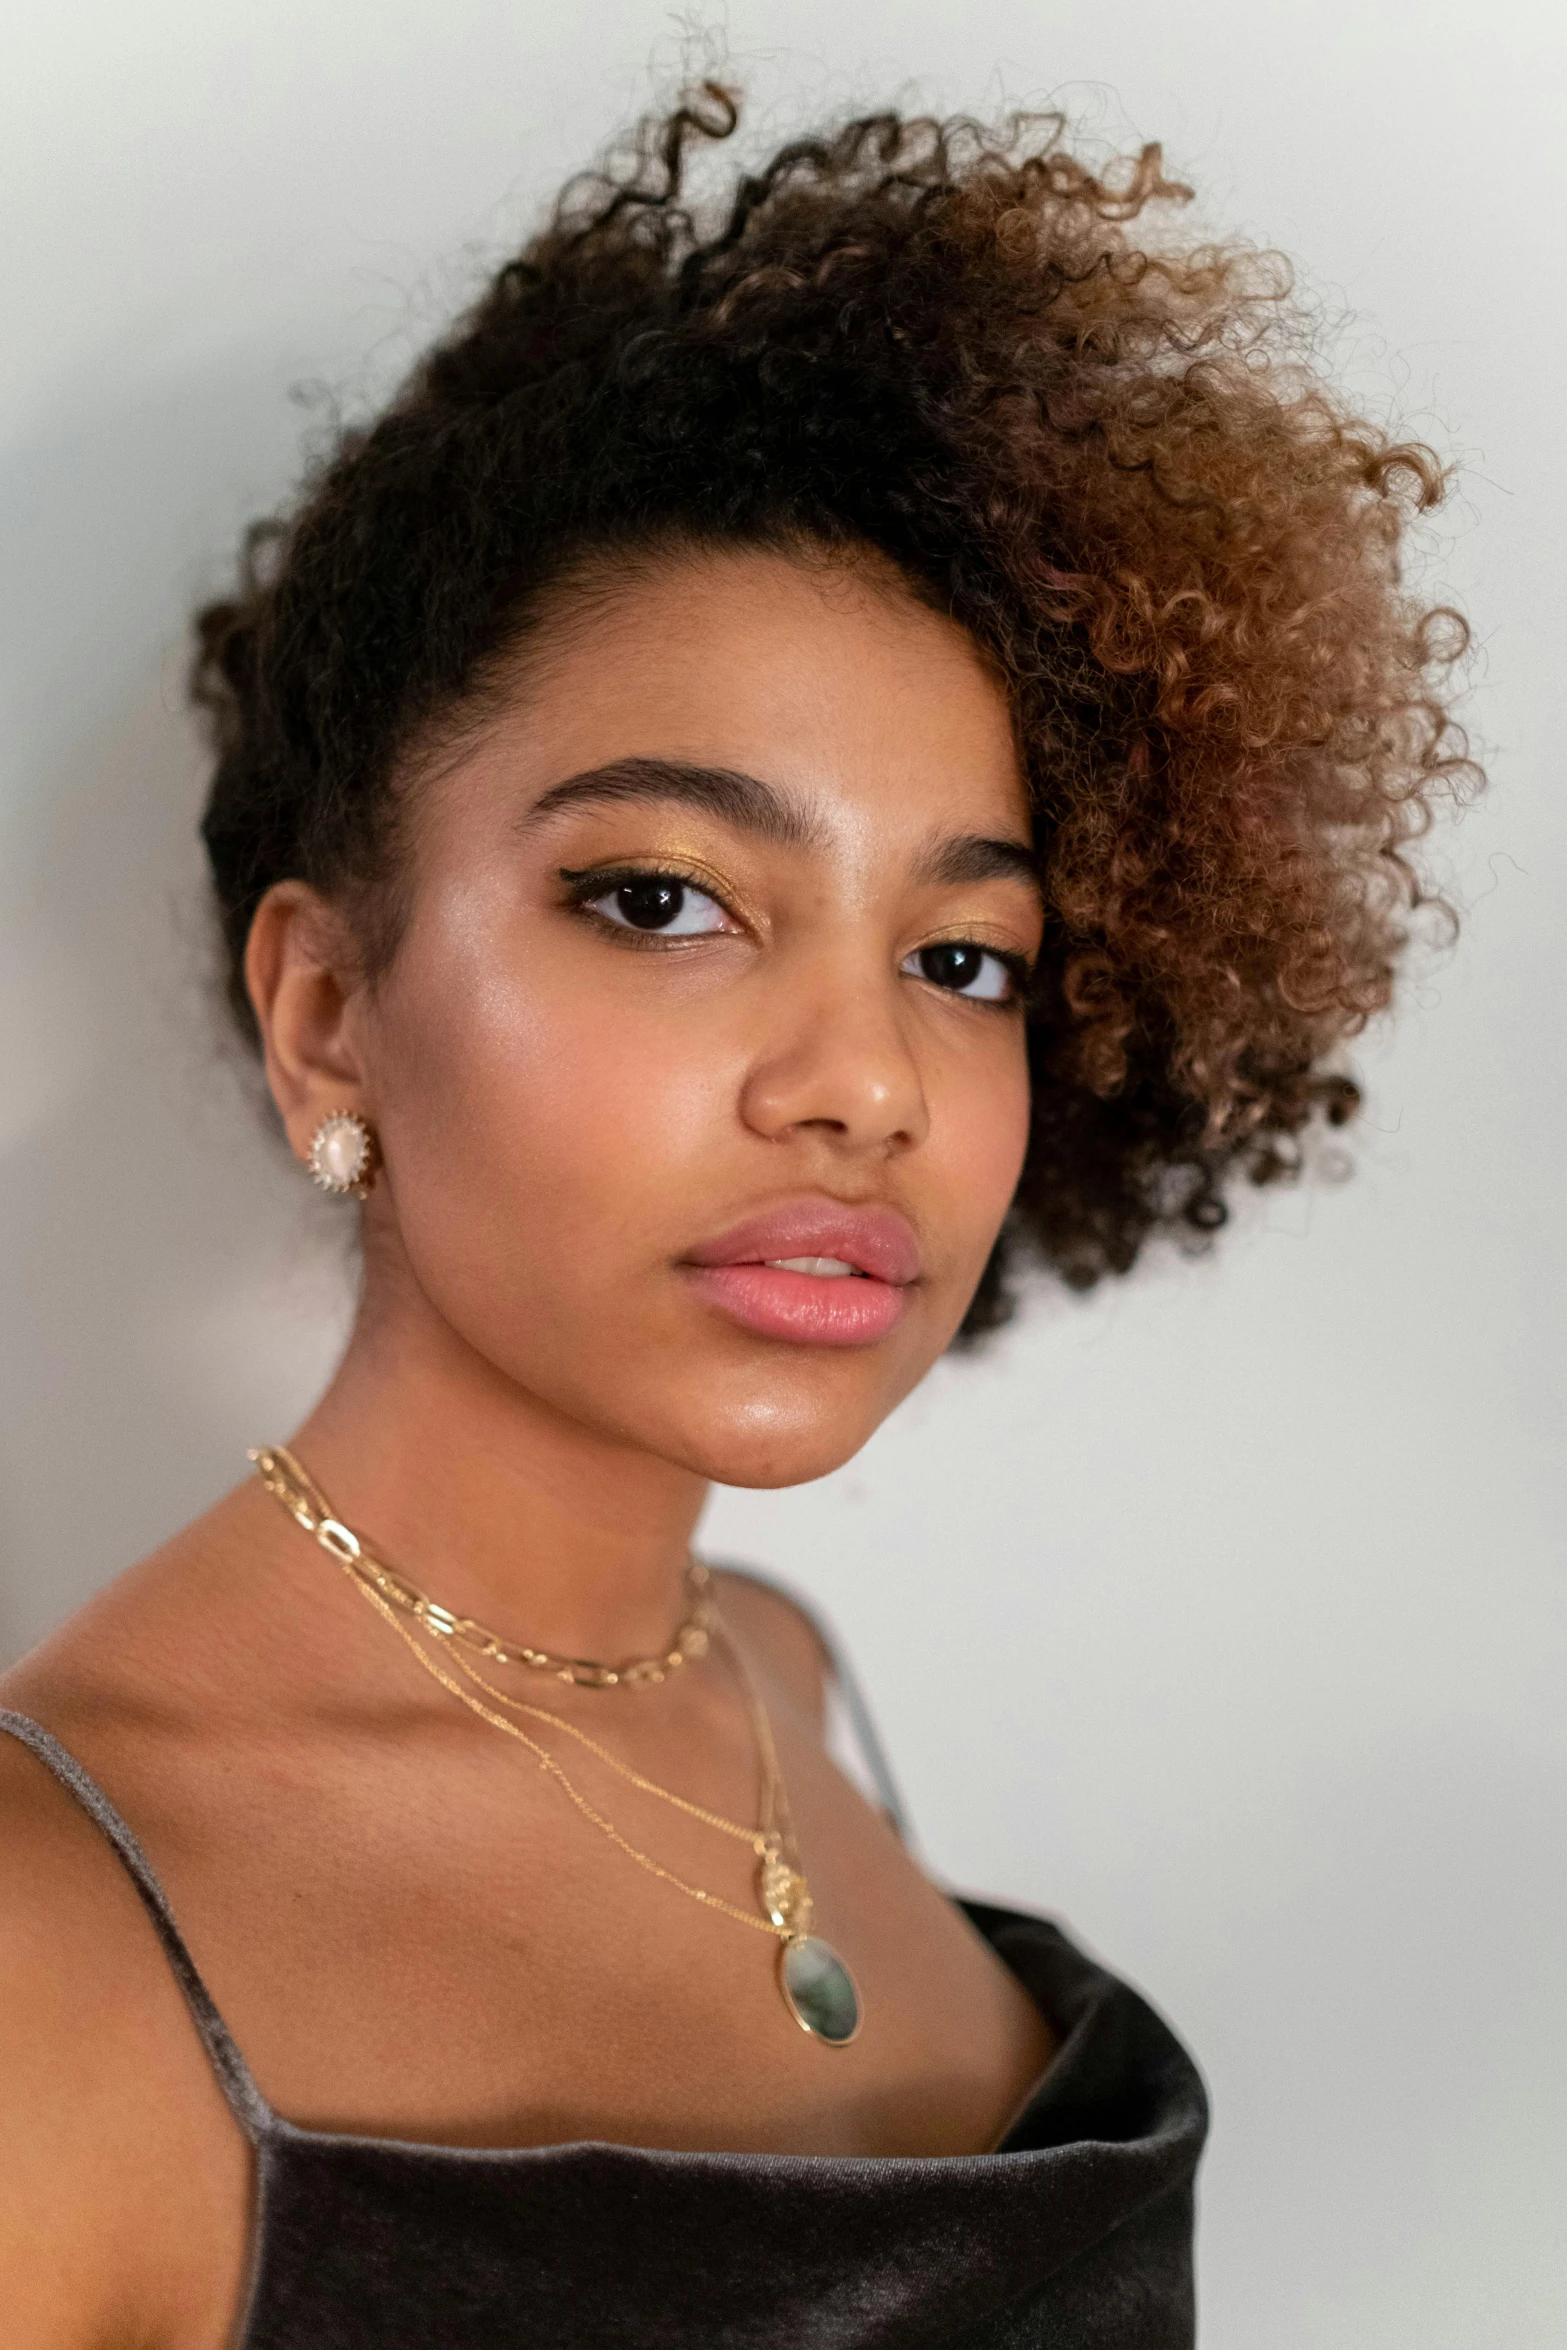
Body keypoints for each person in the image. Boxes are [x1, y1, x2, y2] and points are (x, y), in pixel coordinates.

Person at [0, 87, 1470, 2349]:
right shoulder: (52, 1937)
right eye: (668, 898)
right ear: (325, 1011)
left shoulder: (783, 1670)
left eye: (962, 955)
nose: (866, 1079)